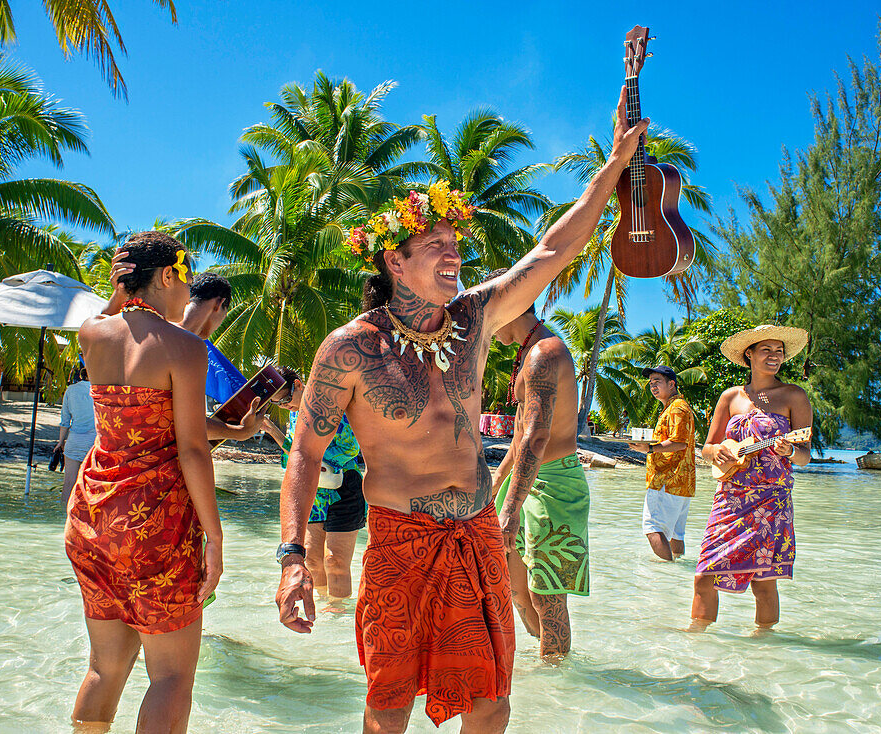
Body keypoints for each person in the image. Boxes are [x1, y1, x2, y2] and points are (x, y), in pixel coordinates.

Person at [275, 86, 647, 733]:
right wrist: (290, 559)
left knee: (492, 703)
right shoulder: (352, 349)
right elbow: (304, 452)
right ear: (395, 260)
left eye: (457, 244)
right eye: (436, 246)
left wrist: (614, 166)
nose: (455, 256)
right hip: (398, 541)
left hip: (474, 533)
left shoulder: (474, 320)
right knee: (389, 706)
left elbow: (552, 252)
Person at [65, 231, 223, 733]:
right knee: (172, 676)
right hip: (155, 521)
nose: (189, 293)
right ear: (168, 275)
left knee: (103, 667)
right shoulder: (184, 347)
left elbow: (104, 316)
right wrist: (215, 537)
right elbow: (193, 449)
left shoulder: (94, 334)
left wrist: (119, 293)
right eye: (187, 279)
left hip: (93, 511)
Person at [487, 268, 589, 661]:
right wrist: (497, 483)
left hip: (553, 483)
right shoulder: (529, 351)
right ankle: (542, 668)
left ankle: (557, 679)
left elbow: (537, 437)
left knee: (546, 596)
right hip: (522, 478)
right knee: (512, 585)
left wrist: (510, 508)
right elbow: (521, 434)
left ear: (510, 304)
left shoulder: (545, 354)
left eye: (490, 307)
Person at [692, 325, 813, 634]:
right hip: (730, 498)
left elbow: (805, 455)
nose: (774, 357)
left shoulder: (793, 395)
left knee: (764, 579)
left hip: (771, 500)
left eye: (779, 352)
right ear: (749, 354)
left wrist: (789, 451)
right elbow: (706, 447)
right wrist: (716, 452)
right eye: (766, 350)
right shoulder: (730, 397)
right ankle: (695, 640)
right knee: (705, 574)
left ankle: (764, 644)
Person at [106, 259, 261, 443]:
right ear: (219, 304)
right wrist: (240, 432)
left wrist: (119, 292)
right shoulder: (189, 346)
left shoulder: (149, 328)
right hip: (157, 460)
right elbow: (185, 423)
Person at [261, 367, 366, 603]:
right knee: (313, 560)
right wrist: (272, 432)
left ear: (298, 385)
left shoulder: (334, 404)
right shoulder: (295, 414)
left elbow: (350, 448)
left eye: (286, 398)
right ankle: (322, 612)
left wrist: (313, 456)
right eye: (278, 403)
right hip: (314, 491)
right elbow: (295, 456)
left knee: (335, 561)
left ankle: (338, 612)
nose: (284, 405)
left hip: (344, 487)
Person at [628, 366, 696, 562]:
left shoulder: (677, 408)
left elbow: (679, 442)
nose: (653, 386)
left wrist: (648, 449)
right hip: (681, 482)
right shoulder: (675, 407)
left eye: (657, 381)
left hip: (666, 479)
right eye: (651, 383)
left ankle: (666, 572)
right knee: (676, 533)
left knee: (652, 529)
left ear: (672, 384)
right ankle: (676, 572)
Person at [55, 365, 96, 505]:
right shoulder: (99, 390)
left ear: (81, 376)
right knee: (91, 485)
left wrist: (61, 442)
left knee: (68, 483)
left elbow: (65, 420)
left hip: (74, 441)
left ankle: (62, 516)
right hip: (93, 442)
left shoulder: (70, 390)